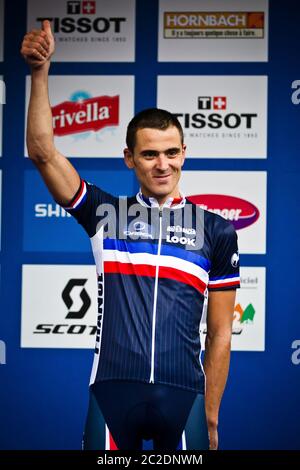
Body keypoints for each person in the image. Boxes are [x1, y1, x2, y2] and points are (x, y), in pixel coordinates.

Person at [21, 20, 240, 451]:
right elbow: (43, 152)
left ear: (184, 154)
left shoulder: (217, 230)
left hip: (185, 398)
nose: (163, 164)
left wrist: (211, 415)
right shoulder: (104, 213)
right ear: (129, 158)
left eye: (172, 152)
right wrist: (40, 73)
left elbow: (220, 335)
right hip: (111, 395)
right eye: (150, 154)